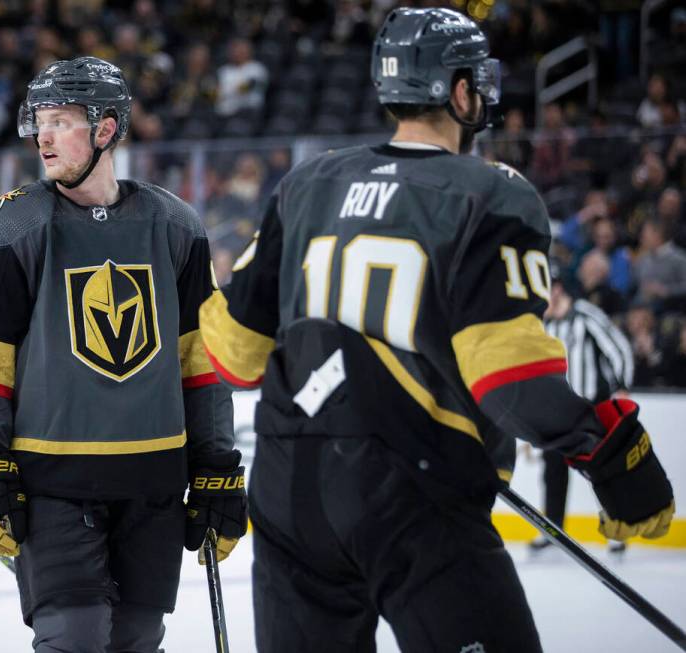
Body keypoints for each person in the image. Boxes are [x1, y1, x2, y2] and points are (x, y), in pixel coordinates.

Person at [198, 8, 674, 653]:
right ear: (457, 91)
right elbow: (510, 383)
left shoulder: (310, 183)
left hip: (290, 492)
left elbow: (233, 355)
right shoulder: (491, 193)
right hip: (414, 492)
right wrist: (613, 454)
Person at [0, 57, 247, 653]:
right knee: (73, 638)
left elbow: (201, 361)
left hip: (154, 480)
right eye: (39, 123)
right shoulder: (11, 225)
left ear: (106, 129)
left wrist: (216, 463)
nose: (43, 137)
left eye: (60, 121)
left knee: (137, 639)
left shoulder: (175, 224)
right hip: (52, 481)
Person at [531, 270, 634, 555]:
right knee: (552, 472)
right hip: (554, 409)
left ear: (558, 290)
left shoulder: (585, 315)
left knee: (599, 468)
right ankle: (553, 530)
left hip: (588, 407)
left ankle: (616, 529)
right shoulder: (540, 323)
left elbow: (619, 348)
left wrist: (622, 385)